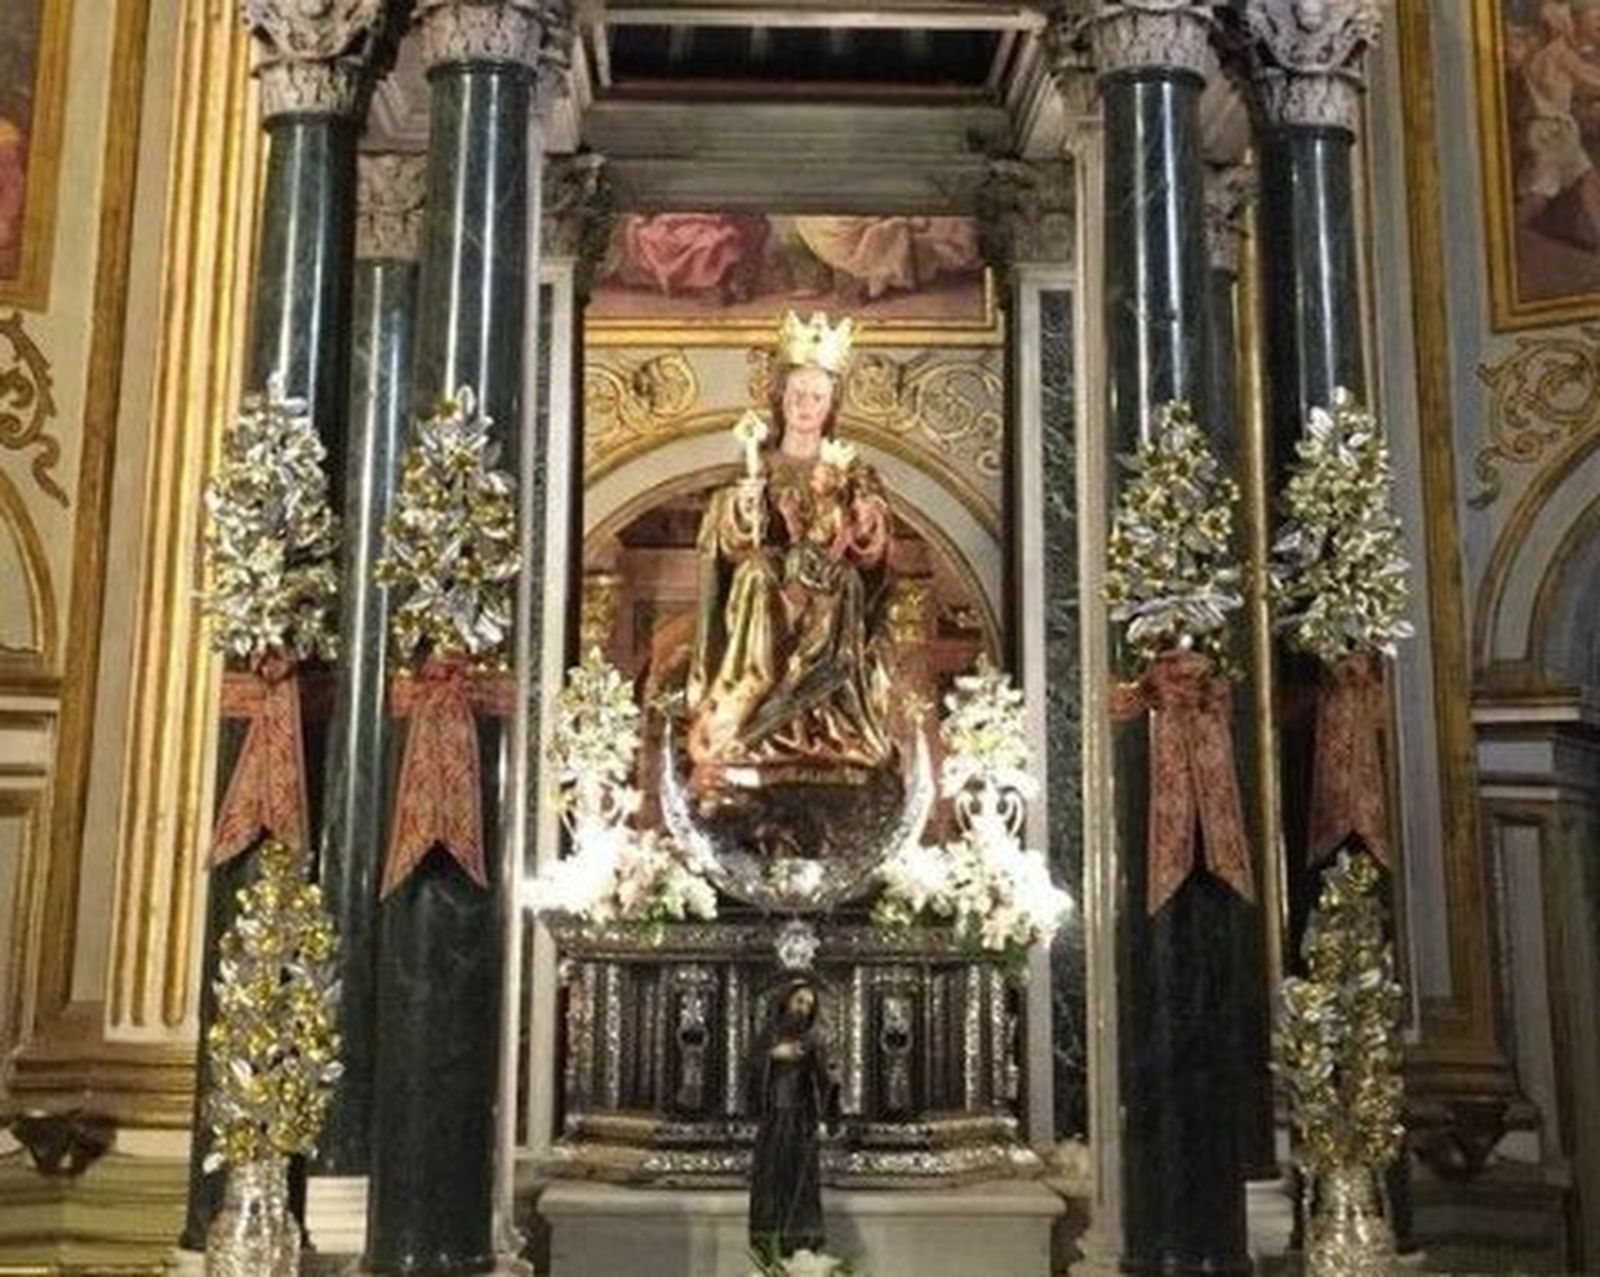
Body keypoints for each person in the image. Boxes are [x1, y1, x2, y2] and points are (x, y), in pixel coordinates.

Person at [685, 313, 896, 789]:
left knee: (844, 583)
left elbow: (871, 550)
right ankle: (749, 692)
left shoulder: (853, 472)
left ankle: (828, 711)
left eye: (817, 396)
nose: (805, 405)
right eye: (797, 393)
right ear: (780, 397)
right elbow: (733, 544)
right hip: (771, 588)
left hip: (830, 595)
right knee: (756, 573)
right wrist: (742, 505)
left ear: (831, 404)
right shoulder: (757, 465)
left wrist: (863, 518)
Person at [747, 976, 839, 1261]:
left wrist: (832, 1084)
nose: (803, 1009)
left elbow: (824, 1078)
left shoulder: (812, 1040)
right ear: (786, 1001)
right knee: (771, 1182)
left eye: (809, 1005)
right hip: (774, 1120)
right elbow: (750, 1071)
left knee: (800, 1184)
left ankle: (801, 1244)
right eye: (799, 1001)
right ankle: (770, 1246)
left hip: (801, 1122)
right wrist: (773, 1056)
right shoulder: (768, 1038)